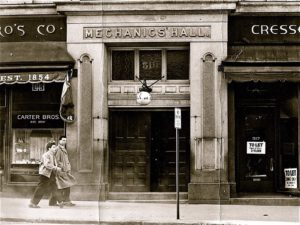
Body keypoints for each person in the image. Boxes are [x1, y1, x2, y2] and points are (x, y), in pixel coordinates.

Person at [29, 141, 64, 208]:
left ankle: (55, 202)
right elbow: (47, 164)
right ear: (49, 148)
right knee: (41, 188)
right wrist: (56, 168)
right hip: (45, 174)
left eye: (55, 147)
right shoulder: (46, 155)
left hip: (51, 174)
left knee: (55, 187)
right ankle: (32, 203)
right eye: (53, 147)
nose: (55, 148)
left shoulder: (53, 155)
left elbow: (53, 164)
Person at [54, 136, 76, 206]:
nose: (64, 142)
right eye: (63, 140)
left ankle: (63, 201)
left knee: (65, 186)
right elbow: (57, 161)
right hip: (62, 171)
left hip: (65, 170)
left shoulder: (63, 149)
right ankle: (66, 201)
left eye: (65, 140)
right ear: (59, 141)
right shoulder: (58, 149)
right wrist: (63, 168)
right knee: (65, 186)